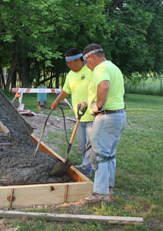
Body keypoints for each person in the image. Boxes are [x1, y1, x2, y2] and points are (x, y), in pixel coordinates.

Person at [80, 43, 126, 204]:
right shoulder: (113, 67)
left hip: (105, 117)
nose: (87, 66)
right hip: (118, 116)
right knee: (109, 155)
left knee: (98, 155)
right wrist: (89, 101)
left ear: (91, 57)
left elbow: (104, 86)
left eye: (86, 62)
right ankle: (109, 190)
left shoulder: (100, 69)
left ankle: (99, 195)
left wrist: (97, 106)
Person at [51, 48, 94, 177]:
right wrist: (56, 101)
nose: (68, 66)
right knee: (82, 144)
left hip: (92, 115)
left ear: (78, 60)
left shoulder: (91, 71)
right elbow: (66, 91)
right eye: (67, 64)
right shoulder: (70, 75)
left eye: (70, 63)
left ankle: (87, 168)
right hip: (79, 116)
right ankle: (86, 163)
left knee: (90, 144)